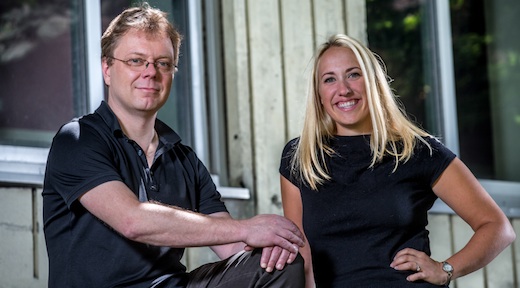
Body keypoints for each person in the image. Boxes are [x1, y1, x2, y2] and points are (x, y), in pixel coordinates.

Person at [42, 2, 305, 288]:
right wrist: (247, 227)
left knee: (277, 266)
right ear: (107, 68)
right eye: (135, 61)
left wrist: (273, 248)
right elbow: (133, 221)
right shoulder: (78, 139)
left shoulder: (184, 159)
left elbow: (233, 246)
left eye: (162, 63)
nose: (150, 73)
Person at [279, 33, 516, 288]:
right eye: (329, 79)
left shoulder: (416, 151)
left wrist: (445, 269)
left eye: (354, 74)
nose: (344, 89)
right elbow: (301, 256)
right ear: (319, 93)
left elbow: (498, 227)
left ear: (373, 82)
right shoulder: (301, 158)